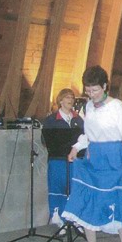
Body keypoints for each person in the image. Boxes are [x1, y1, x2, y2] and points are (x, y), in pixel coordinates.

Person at [62, 66, 122, 242]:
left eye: (95, 90)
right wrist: (76, 147)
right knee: (88, 202)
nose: (91, 94)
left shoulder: (116, 106)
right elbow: (88, 135)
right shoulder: (88, 107)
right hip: (94, 158)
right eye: (88, 91)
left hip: (114, 157)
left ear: (105, 86)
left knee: (118, 203)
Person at [43, 89, 84, 224]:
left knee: (75, 188)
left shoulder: (78, 119)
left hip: (75, 160)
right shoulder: (51, 120)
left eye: (72, 97)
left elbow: (84, 138)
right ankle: (58, 216)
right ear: (60, 100)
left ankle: (75, 218)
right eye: (67, 97)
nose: (70, 100)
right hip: (58, 160)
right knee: (58, 187)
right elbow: (45, 140)